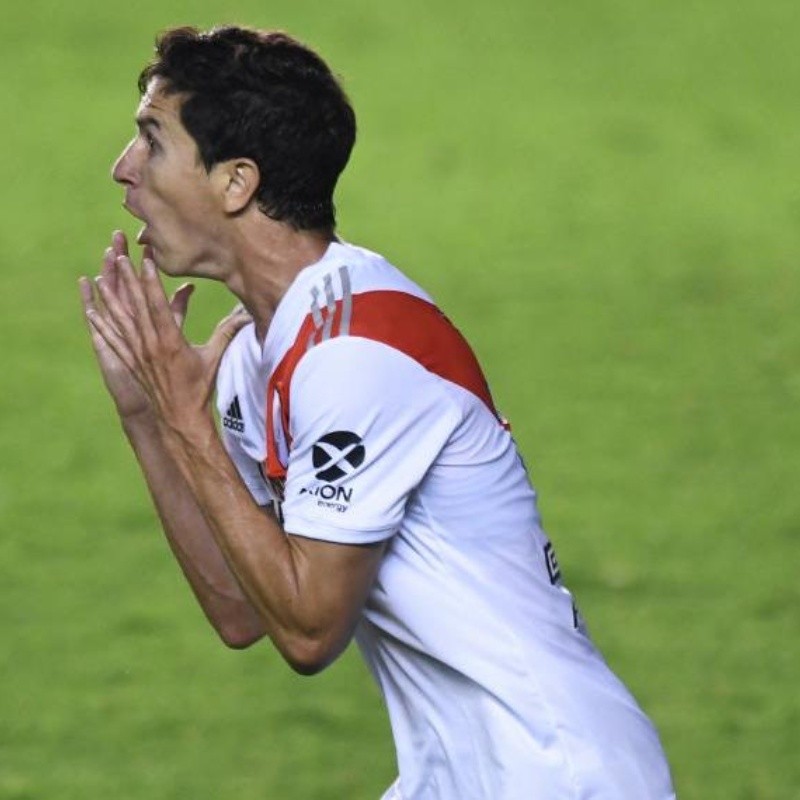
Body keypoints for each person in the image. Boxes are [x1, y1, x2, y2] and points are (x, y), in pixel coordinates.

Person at [79, 25, 676, 800]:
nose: (122, 170)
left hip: (557, 772)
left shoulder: (360, 349)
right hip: (455, 778)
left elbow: (308, 630)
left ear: (236, 182)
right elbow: (241, 610)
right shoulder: (261, 355)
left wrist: (185, 417)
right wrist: (144, 413)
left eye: (152, 141)